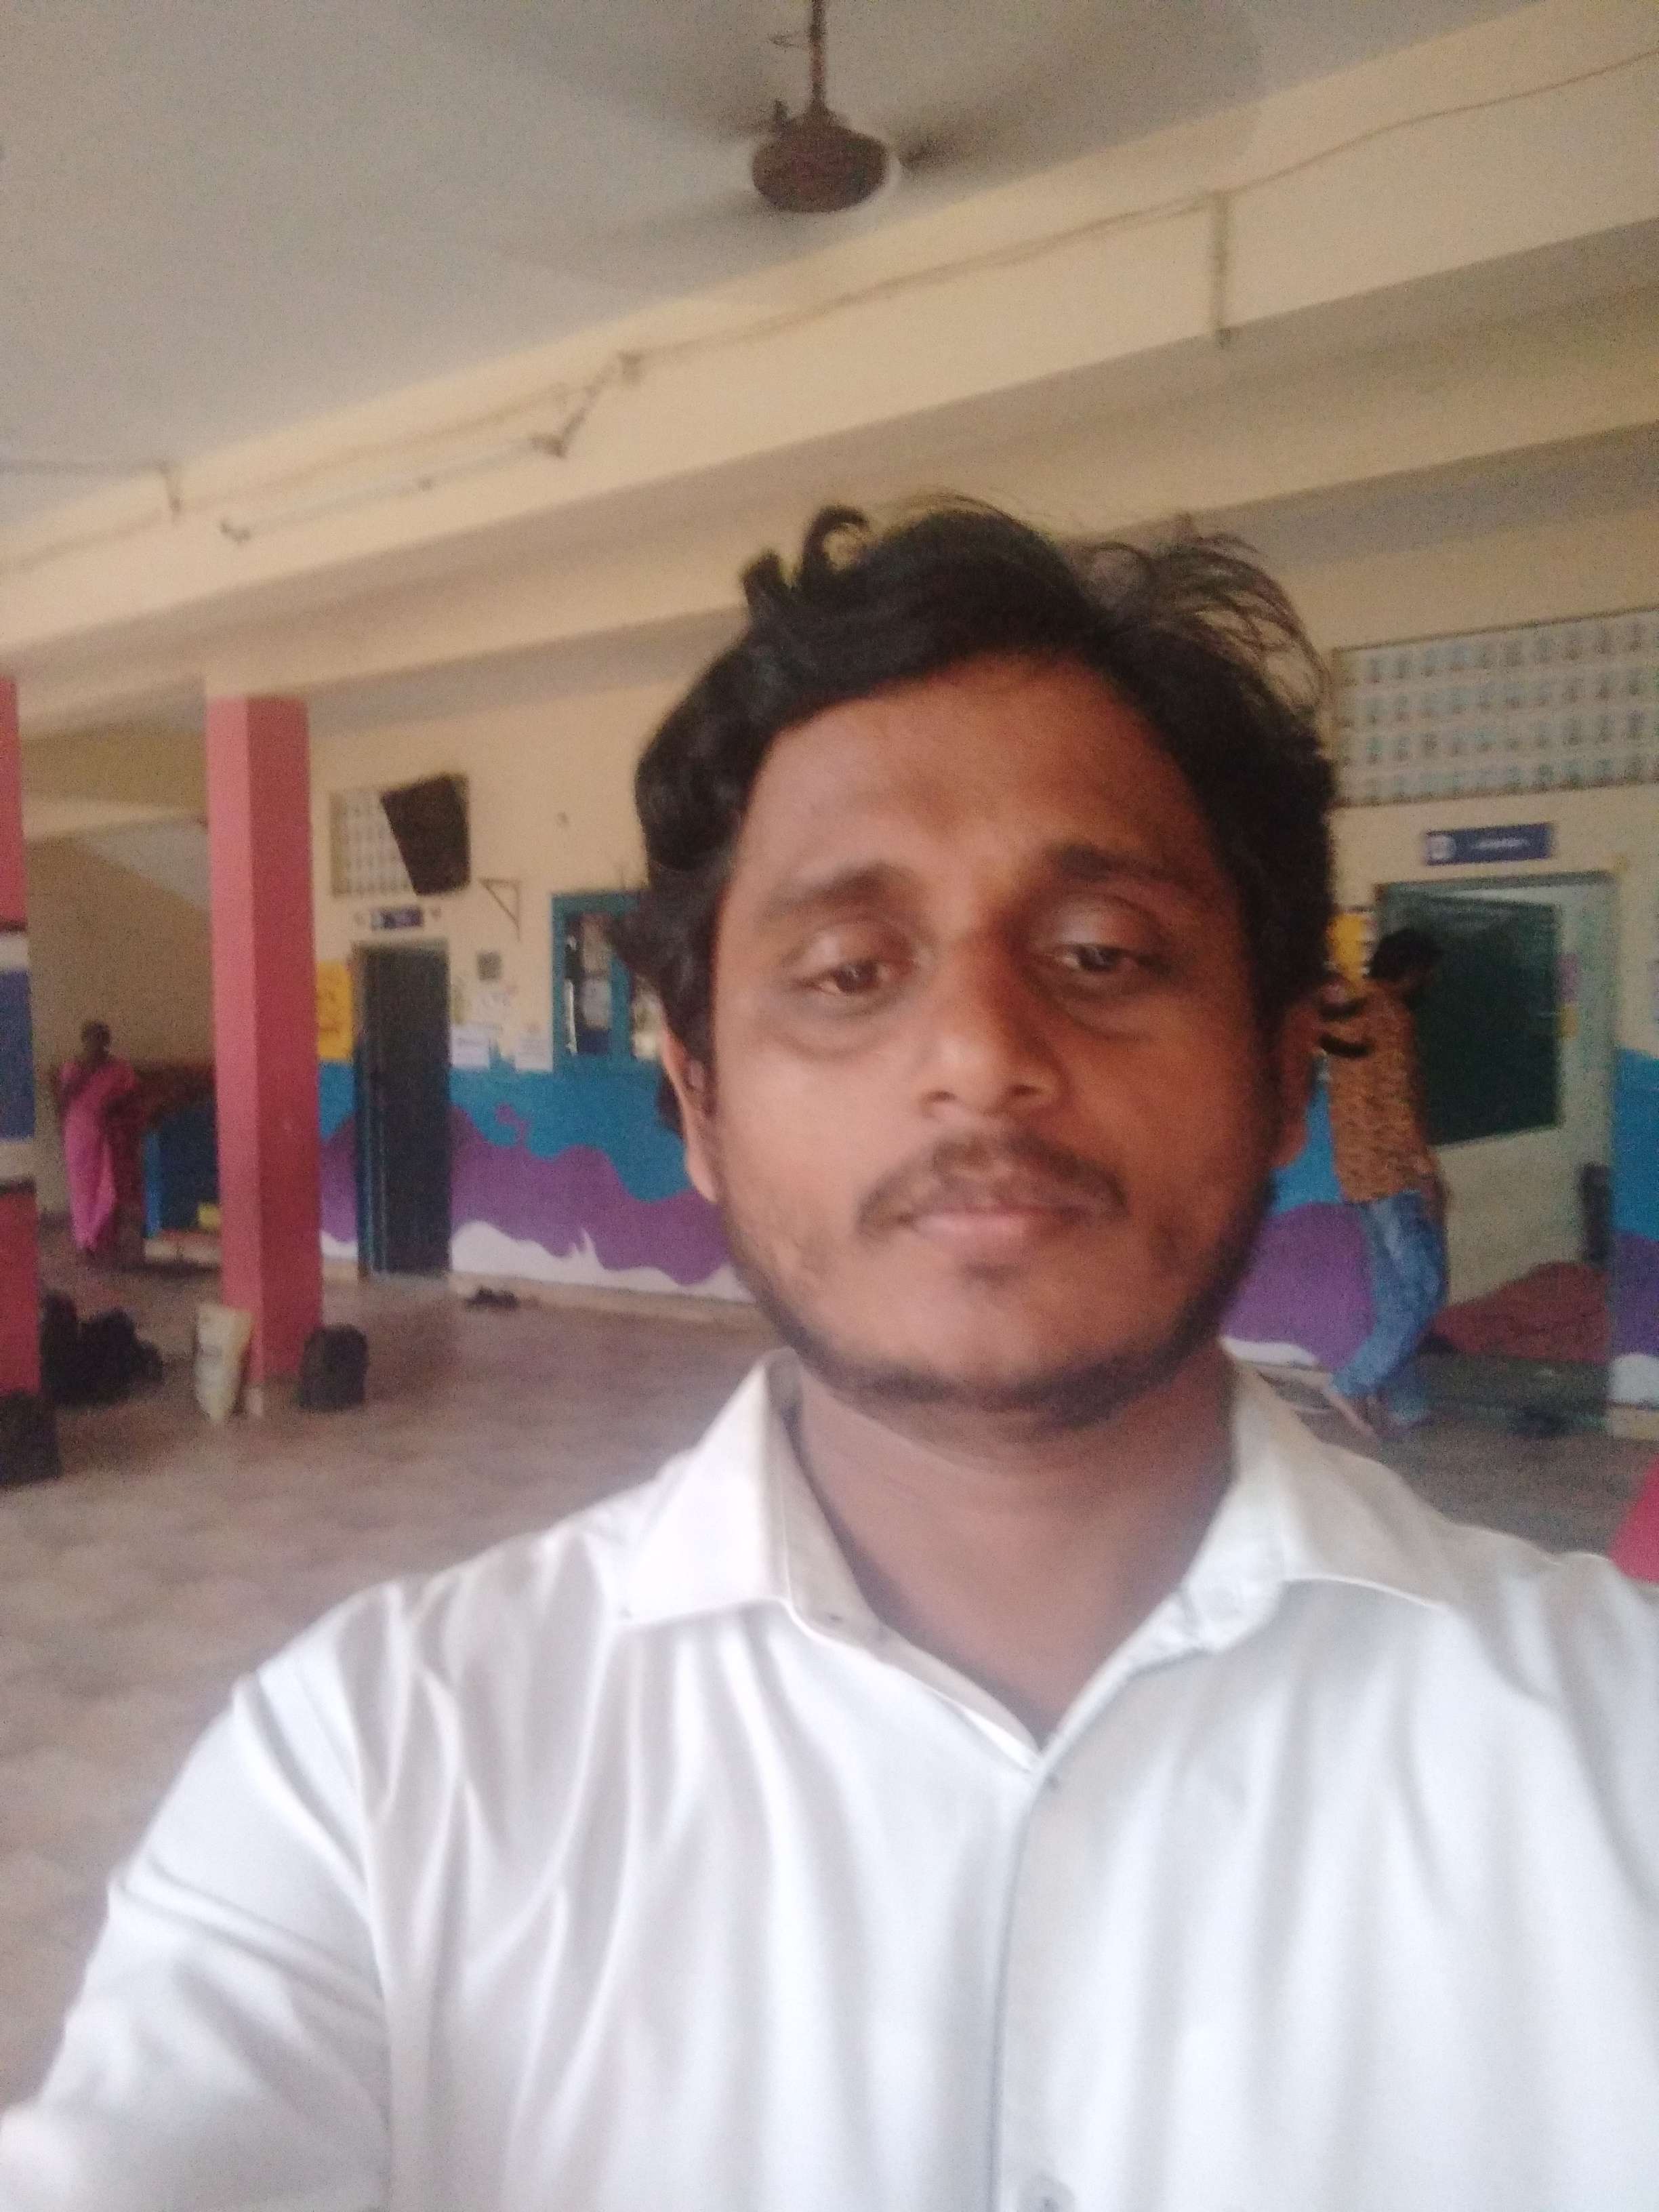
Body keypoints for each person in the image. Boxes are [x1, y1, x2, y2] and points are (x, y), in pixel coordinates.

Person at [3, 506, 1657, 2210]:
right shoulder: (376, 1774)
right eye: (850, 971)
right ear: (698, 1097)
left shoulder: (1615, 1749)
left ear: (1280, 1070)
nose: (979, 1052)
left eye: (1100, 953)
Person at [1317, 927, 1447, 1435]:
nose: (1430, 984)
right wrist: (1425, 1173)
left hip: (1357, 1177)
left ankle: (1407, 1405)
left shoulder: (1347, 1013)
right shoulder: (1390, 1016)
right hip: (1394, 1178)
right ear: (1413, 972)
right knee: (1424, 1289)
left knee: (1395, 1297)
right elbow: (1395, 1105)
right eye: (1429, 975)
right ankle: (1351, 1382)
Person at [49, 1020, 139, 1262]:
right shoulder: (73, 1067)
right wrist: (77, 1080)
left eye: (101, 1038)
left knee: (109, 1186)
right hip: (80, 1133)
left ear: (107, 1041)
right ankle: (86, 1240)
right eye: (91, 1038)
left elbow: (131, 1095)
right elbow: (63, 1104)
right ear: (84, 1040)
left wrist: (113, 1106)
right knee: (83, 1188)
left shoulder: (119, 1069)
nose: (97, 1043)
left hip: (109, 1132)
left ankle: (105, 1237)